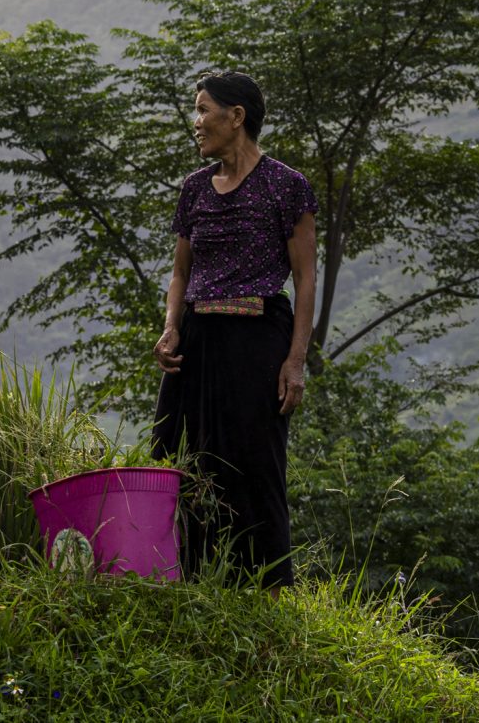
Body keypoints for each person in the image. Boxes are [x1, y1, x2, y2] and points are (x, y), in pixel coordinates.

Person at [152, 71, 318, 589]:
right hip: (197, 343)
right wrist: (170, 327)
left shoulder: (286, 186)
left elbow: (305, 278)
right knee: (177, 456)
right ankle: (185, 578)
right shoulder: (194, 189)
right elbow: (180, 273)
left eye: (204, 110)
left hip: (257, 341)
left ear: (236, 116)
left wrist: (295, 361)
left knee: (254, 463)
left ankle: (267, 590)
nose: (196, 122)